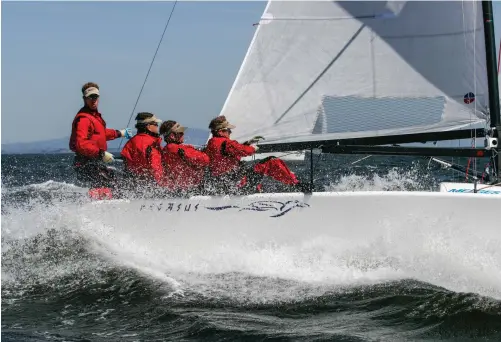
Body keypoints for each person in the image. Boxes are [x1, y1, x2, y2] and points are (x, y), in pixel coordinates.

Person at [204, 115, 305, 195]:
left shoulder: (211, 143)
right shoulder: (226, 143)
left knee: (252, 172)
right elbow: (244, 151)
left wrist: (247, 143)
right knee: (271, 161)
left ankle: (257, 192)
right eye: (229, 130)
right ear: (221, 132)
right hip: (238, 184)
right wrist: (252, 148)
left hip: (226, 183)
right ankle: (298, 186)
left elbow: (230, 153)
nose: (230, 132)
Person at [69, 82, 132, 193]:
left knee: (115, 181)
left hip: (95, 161)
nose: (94, 100)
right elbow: (81, 144)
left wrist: (119, 133)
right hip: (86, 163)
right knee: (108, 185)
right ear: (84, 99)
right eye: (90, 97)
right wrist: (101, 154)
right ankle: (99, 207)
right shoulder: (84, 119)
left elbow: (100, 134)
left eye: (96, 96)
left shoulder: (94, 116)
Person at [159, 120, 210, 197]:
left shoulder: (166, 149)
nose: (183, 134)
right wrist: (197, 150)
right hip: (190, 190)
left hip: (179, 189)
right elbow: (205, 159)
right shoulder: (176, 149)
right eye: (180, 133)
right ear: (172, 136)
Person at [120, 112, 164, 195]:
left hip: (135, 186)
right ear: (148, 127)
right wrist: (162, 186)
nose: (157, 126)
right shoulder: (151, 144)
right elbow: (155, 168)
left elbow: (126, 166)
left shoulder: (130, 143)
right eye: (155, 124)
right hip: (151, 188)